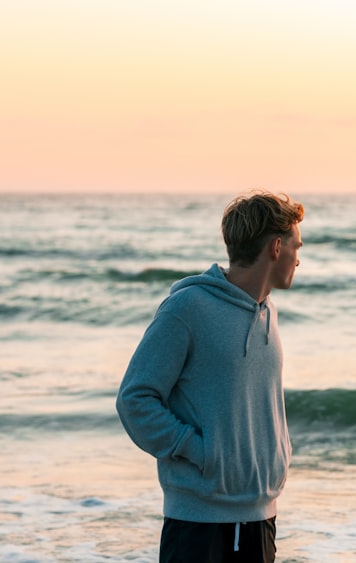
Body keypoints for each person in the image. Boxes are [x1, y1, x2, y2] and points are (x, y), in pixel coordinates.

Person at [117, 190, 305, 563]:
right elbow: (135, 398)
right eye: (297, 247)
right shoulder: (188, 308)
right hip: (198, 524)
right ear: (276, 247)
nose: (299, 259)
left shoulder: (268, 313)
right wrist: (199, 451)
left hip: (260, 517)